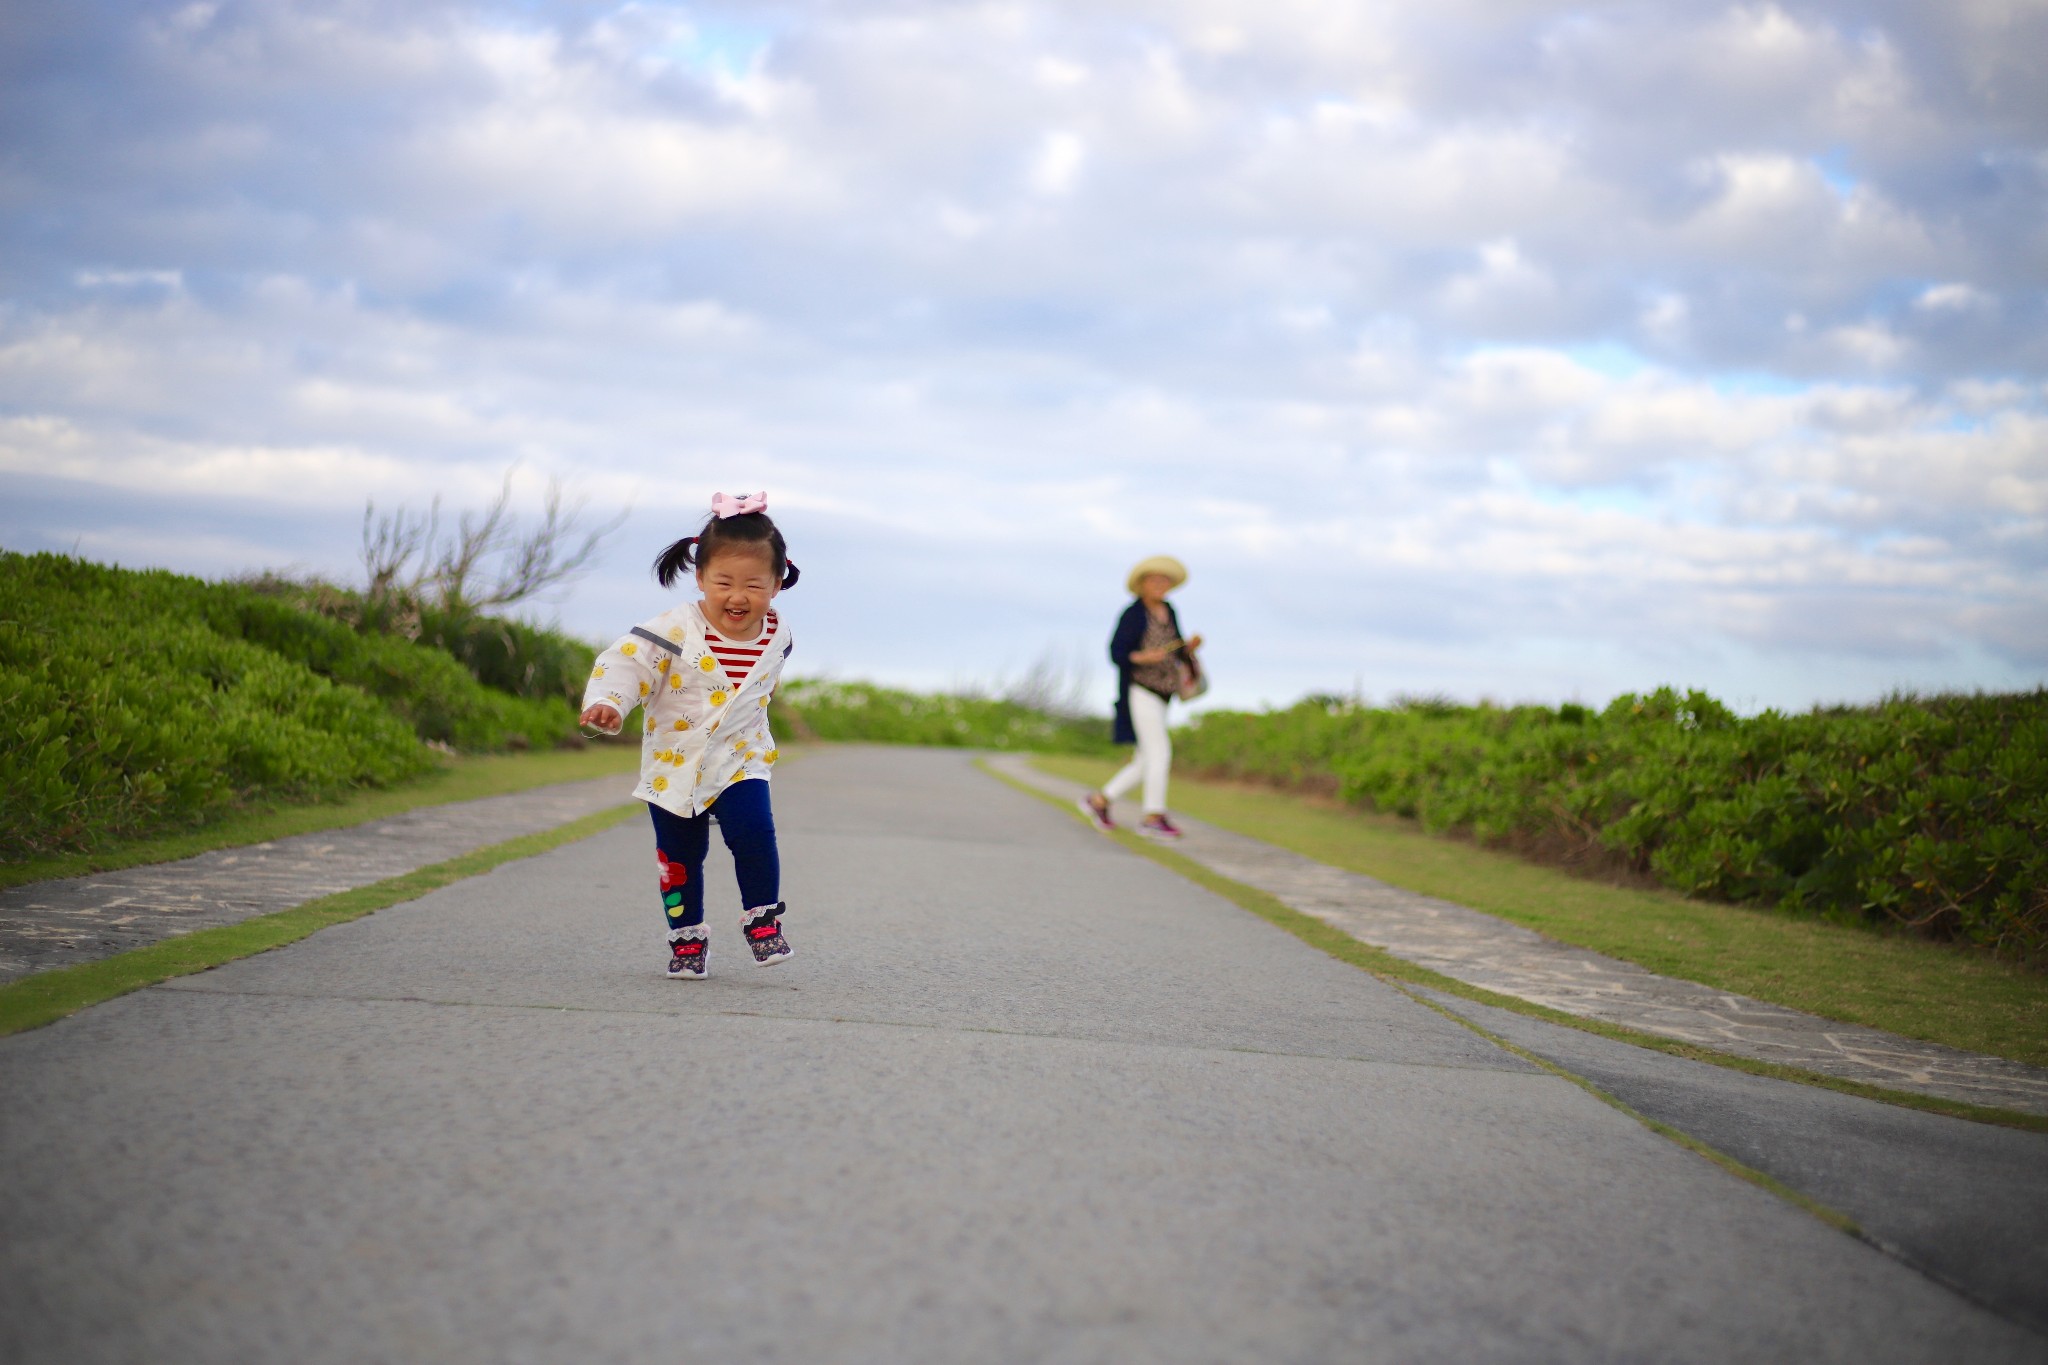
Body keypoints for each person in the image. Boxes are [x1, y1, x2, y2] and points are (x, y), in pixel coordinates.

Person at [579, 491, 799, 979]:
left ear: (778, 583)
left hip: (741, 758)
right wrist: (610, 702)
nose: (737, 597)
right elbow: (626, 663)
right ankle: (687, 941)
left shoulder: (778, 636)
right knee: (679, 859)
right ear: (699, 578)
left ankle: (763, 921)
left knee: (755, 834)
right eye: (722, 582)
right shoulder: (673, 629)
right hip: (674, 762)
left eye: (753, 585)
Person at [1080, 555, 1202, 839]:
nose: (1161, 585)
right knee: (1160, 752)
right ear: (1142, 584)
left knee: (1145, 760)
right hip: (1140, 690)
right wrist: (1143, 657)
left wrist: (1188, 647)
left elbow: (1176, 650)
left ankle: (1098, 800)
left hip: (1164, 693)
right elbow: (1118, 653)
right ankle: (1153, 816)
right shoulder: (1133, 614)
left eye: (1165, 580)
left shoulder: (1169, 611)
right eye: (1155, 580)